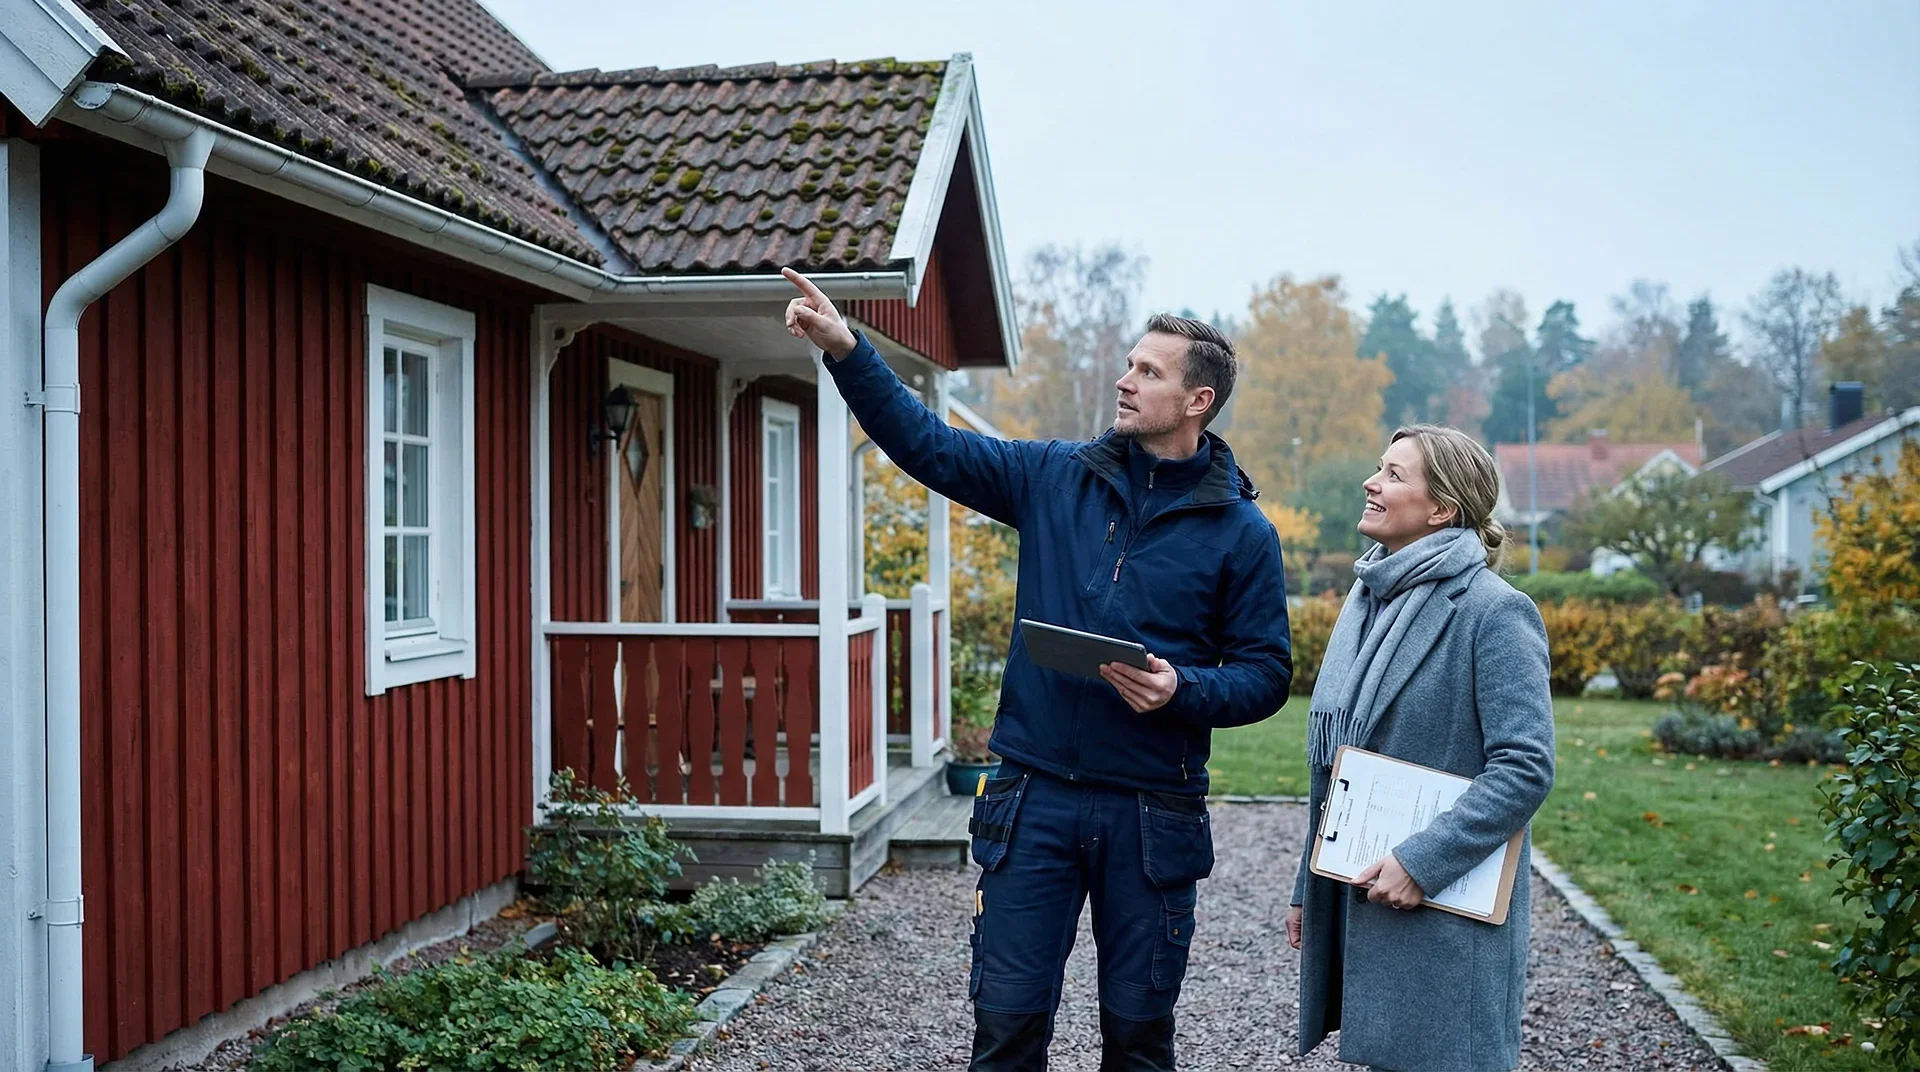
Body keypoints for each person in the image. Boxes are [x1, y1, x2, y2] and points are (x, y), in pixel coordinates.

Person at [782, 268, 1292, 1071]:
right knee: (1007, 1030)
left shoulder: (1242, 534)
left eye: (1148, 372)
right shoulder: (1055, 476)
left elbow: (1266, 674)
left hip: (1152, 812)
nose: (1124, 381)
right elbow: (931, 446)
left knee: (1138, 1039)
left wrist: (1181, 688)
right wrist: (847, 350)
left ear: (1198, 401)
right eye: (1129, 364)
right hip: (1033, 799)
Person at [1283, 424, 1555, 1071]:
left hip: (1443, 909)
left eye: (1394, 475)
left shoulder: (1494, 611)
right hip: (1370, 892)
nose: (1371, 484)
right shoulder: (1370, 602)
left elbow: (1525, 767)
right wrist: (1308, 884)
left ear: (1442, 509)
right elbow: (1339, 762)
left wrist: (1422, 862)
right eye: (1379, 469)